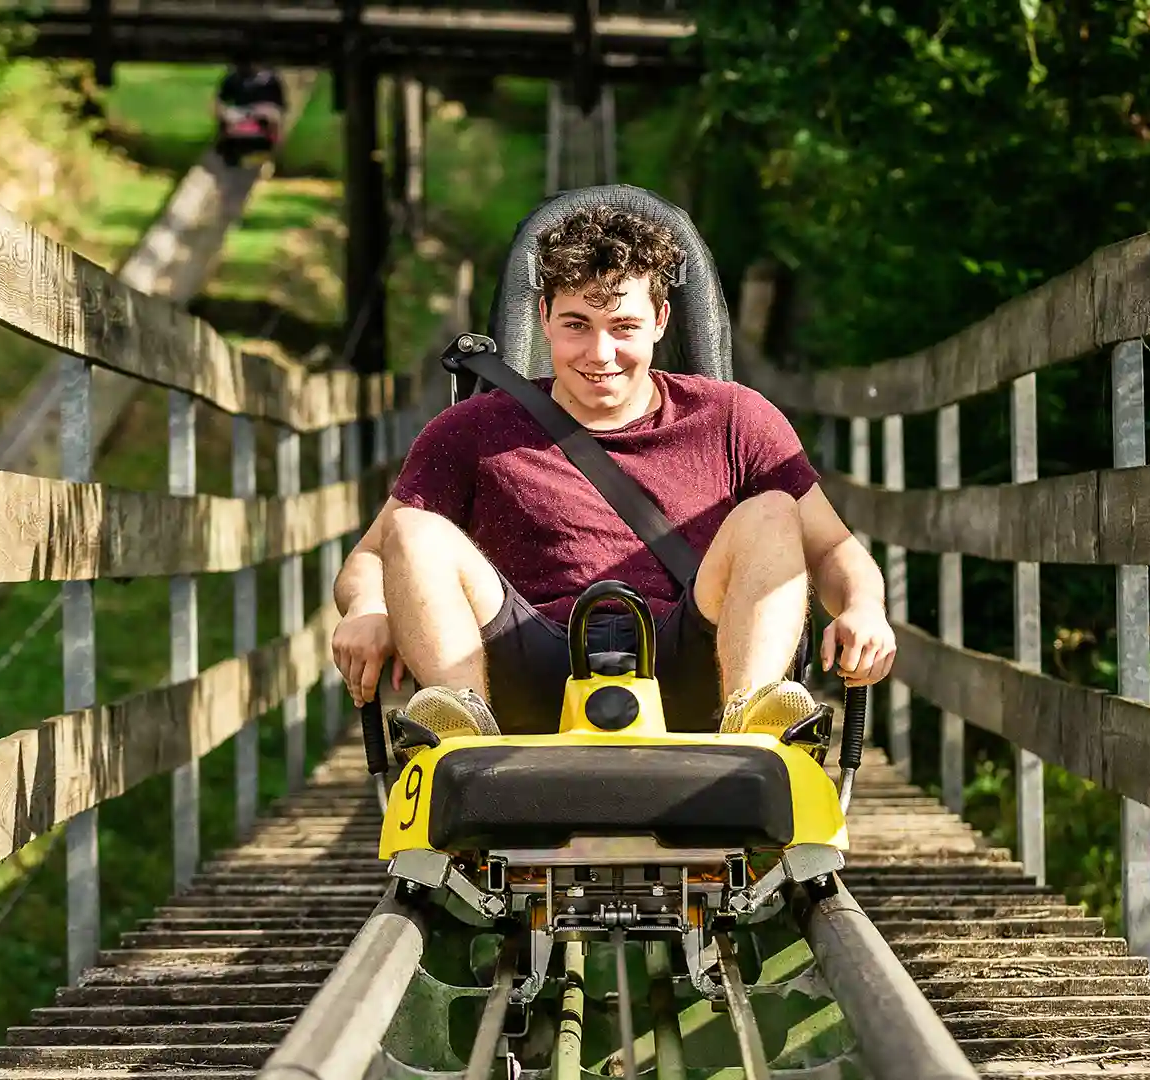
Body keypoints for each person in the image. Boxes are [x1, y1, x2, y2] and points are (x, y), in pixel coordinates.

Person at [330, 203, 896, 739]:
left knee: (772, 510)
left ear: (660, 321)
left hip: (696, 663)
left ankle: (754, 720)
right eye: (576, 324)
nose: (600, 353)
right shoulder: (470, 429)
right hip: (520, 671)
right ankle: (459, 732)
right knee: (412, 527)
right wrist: (367, 608)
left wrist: (864, 606)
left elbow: (832, 548)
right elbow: (373, 555)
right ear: (544, 318)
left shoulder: (735, 418)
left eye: (623, 326)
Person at [214, 59, 285, 165]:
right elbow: (220, 101)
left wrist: (266, 110)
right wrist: (223, 113)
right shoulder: (233, 78)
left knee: (274, 116)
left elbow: (279, 104)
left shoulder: (270, 79)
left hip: (263, 110)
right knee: (228, 116)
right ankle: (225, 146)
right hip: (241, 111)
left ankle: (275, 152)